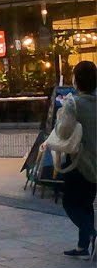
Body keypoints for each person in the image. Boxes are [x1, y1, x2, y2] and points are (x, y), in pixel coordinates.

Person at [52, 61, 96, 257]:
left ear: (76, 80)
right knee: (86, 202)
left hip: (78, 160)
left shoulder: (73, 103)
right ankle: (83, 246)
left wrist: (62, 113)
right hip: (95, 161)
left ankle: (91, 233)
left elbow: (63, 131)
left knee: (70, 202)